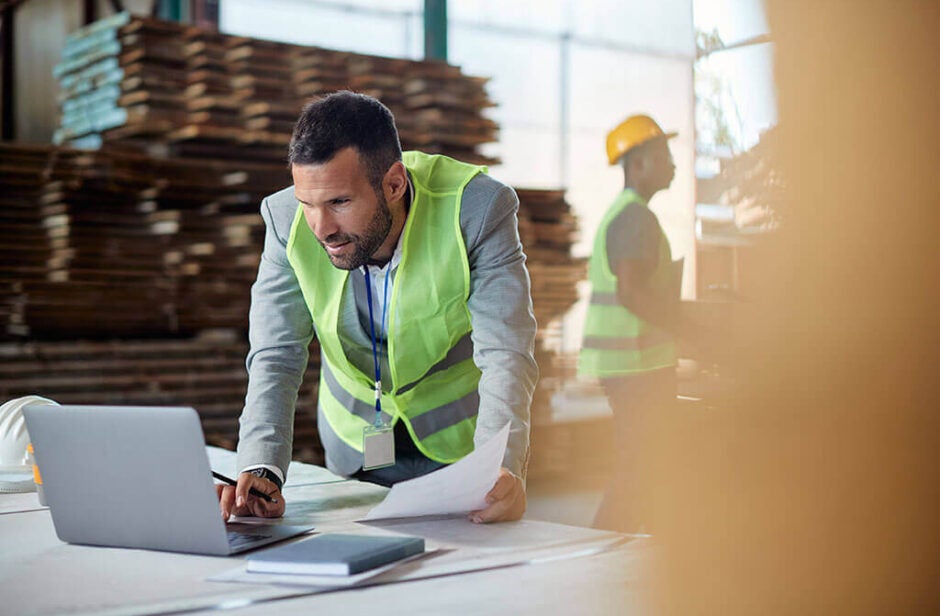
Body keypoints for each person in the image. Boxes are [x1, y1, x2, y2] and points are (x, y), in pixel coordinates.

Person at [217, 91, 538, 524]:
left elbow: (506, 353)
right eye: (308, 203)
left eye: (339, 203)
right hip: (353, 446)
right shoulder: (283, 220)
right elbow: (277, 353)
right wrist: (260, 465)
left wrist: (498, 465)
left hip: (461, 448)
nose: (322, 228)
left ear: (393, 184)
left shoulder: (477, 210)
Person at [578, 114, 681, 533]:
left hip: (632, 366)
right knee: (641, 468)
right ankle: (602, 548)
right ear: (638, 164)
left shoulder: (626, 214)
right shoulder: (635, 217)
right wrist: (693, 328)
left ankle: (631, 552)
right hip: (638, 368)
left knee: (646, 466)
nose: (673, 165)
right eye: (665, 156)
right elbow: (633, 293)